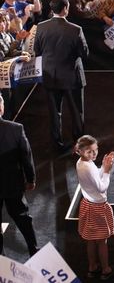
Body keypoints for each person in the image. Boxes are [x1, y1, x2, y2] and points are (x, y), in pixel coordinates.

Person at [34, 0, 89, 152]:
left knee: (54, 112)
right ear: (65, 9)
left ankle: (56, 145)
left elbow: (37, 51)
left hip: (50, 76)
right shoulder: (76, 29)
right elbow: (84, 54)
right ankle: (80, 144)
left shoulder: (41, 27)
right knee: (77, 112)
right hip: (72, 77)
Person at [0, 93, 38, 257]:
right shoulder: (16, 129)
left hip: (10, 184)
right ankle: (34, 251)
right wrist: (30, 180)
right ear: (1, 107)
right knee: (23, 218)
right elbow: (26, 157)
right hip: (12, 184)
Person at [75, 135, 114, 280]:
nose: (94, 154)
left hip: (88, 204)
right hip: (98, 207)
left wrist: (103, 167)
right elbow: (102, 187)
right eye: (89, 152)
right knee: (102, 241)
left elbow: (94, 180)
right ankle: (105, 269)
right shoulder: (88, 167)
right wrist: (107, 170)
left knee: (91, 240)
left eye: (95, 150)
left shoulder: (81, 163)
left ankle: (92, 266)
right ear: (79, 151)